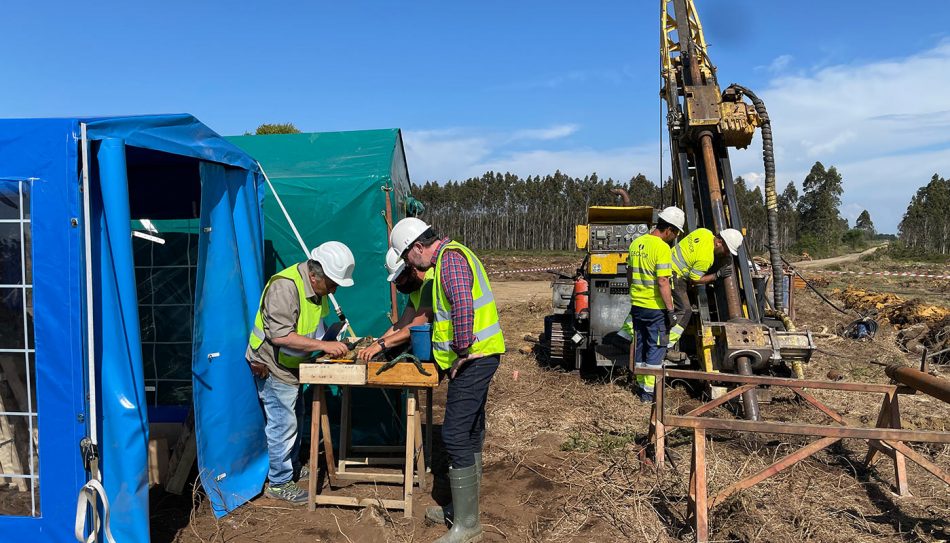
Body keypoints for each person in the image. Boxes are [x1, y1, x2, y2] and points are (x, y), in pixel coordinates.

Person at [390, 217, 505, 543]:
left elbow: (463, 305)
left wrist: (462, 349)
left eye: (406, 258)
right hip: (479, 356)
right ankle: (461, 508)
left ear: (416, 248)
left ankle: (468, 525)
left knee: (454, 434)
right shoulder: (449, 259)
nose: (409, 265)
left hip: (475, 358)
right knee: (469, 430)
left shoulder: (450, 260)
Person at [245, 241, 356, 504]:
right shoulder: (285, 287)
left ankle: (291, 465)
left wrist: (328, 341)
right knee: (283, 424)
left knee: (296, 415)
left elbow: (311, 327)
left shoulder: (317, 290)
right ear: (314, 276)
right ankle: (280, 481)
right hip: (272, 364)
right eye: (331, 284)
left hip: (294, 364)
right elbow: (281, 336)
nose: (334, 289)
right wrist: (324, 345)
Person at [627, 207, 684, 402]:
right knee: (656, 347)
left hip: (637, 305)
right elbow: (663, 281)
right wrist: (670, 310)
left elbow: (629, 274)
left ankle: (641, 386)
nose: (674, 237)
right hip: (655, 308)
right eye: (675, 233)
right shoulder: (662, 248)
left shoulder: (636, 243)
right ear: (668, 229)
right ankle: (649, 394)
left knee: (641, 346)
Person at [667, 228, 744, 352]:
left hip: (665, 264)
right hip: (673, 274)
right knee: (685, 310)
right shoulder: (706, 258)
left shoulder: (703, 232)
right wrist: (716, 275)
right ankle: (667, 345)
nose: (726, 254)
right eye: (726, 250)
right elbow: (694, 280)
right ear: (719, 242)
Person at [357, 247, 435, 361]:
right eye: (396, 281)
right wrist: (376, 344)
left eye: (400, 279)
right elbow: (402, 323)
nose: (399, 284)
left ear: (411, 268)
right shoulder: (416, 290)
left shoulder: (430, 280)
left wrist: (381, 344)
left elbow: (415, 325)